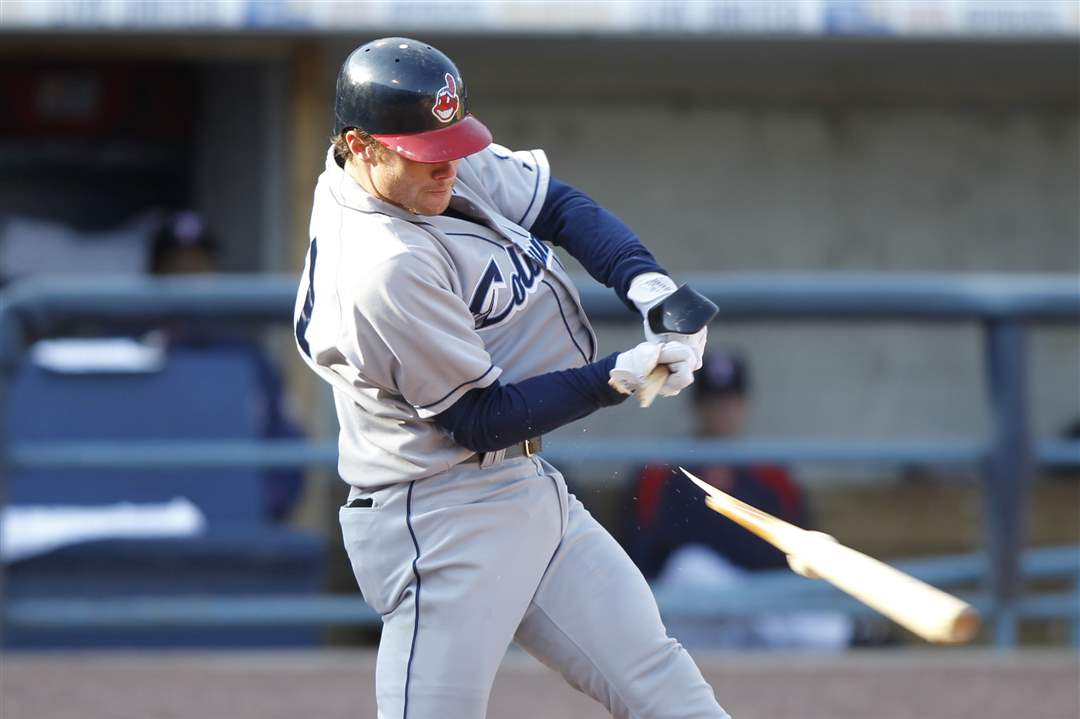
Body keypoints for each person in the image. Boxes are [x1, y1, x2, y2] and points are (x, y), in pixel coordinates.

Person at [293, 38, 730, 718]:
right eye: (426, 154)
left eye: (450, 146)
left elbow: (558, 206)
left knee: (661, 682)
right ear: (360, 145)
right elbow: (478, 419)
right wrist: (615, 377)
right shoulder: (381, 265)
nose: (449, 167)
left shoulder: (418, 164)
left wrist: (649, 287)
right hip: (437, 517)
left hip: (524, 486)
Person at [626, 350, 852, 650]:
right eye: (713, 402)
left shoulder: (770, 473)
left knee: (831, 629)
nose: (723, 411)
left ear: (744, 404)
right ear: (696, 407)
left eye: (730, 401)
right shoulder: (661, 470)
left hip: (757, 596)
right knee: (692, 567)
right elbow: (644, 552)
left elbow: (794, 553)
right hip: (693, 603)